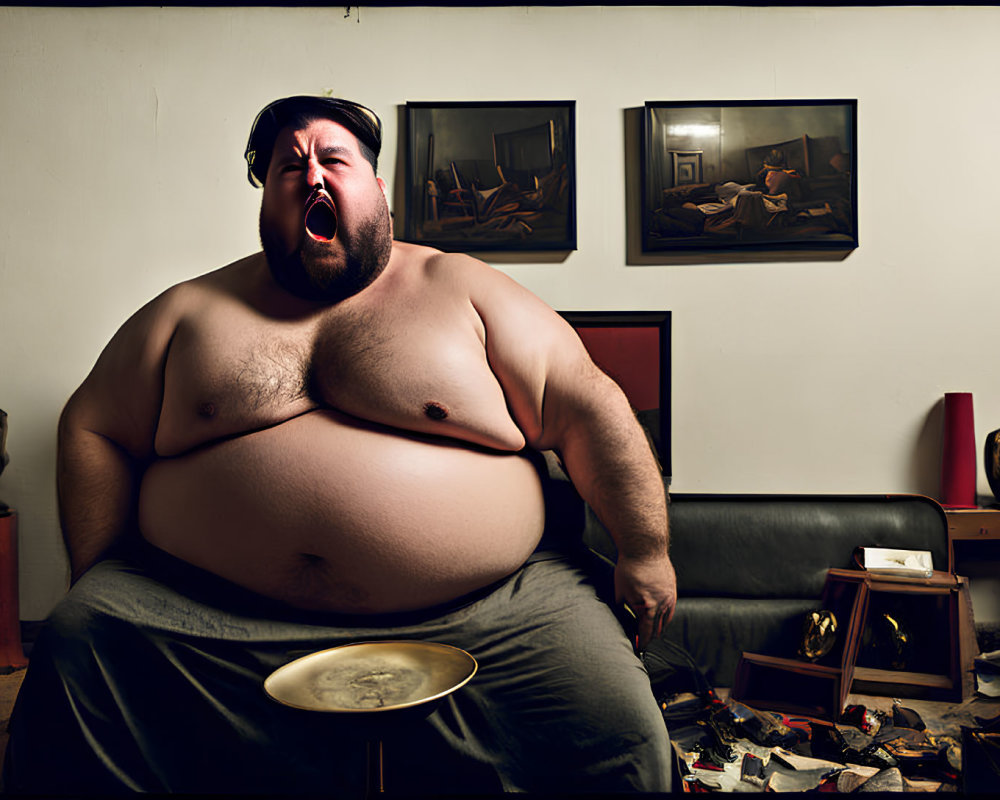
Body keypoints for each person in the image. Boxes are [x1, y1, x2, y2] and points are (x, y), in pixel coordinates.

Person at [2, 96, 676, 795]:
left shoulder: (463, 289)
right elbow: (94, 425)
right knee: (74, 652)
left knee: (615, 724)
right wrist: (103, 570)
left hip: (490, 612)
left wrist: (645, 550)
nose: (313, 177)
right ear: (267, 198)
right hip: (199, 614)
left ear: (378, 189)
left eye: (333, 159)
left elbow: (587, 404)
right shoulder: (189, 311)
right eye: (289, 167)